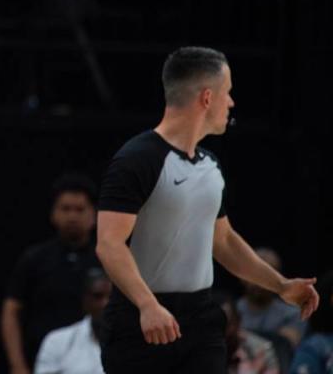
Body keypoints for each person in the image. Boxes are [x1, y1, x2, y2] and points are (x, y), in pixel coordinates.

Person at [96, 46, 319, 373]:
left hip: (200, 319)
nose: (231, 102)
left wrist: (281, 285)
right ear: (206, 97)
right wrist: (147, 305)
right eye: (227, 93)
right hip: (141, 319)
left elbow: (224, 241)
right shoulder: (137, 159)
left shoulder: (210, 166)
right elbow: (109, 244)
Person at [1, 173, 100, 372]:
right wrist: (18, 366)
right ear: (53, 213)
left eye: (80, 209)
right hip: (42, 361)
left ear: (94, 215)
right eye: (65, 209)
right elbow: (11, 311)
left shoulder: (107, 259)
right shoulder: (34, 259)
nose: (72, 216)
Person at [33, 268, 112, 374]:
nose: (105, 303)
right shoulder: (57, 342)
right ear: (85, 300)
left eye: (111, 297)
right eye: (98, 296)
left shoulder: (131, 342)